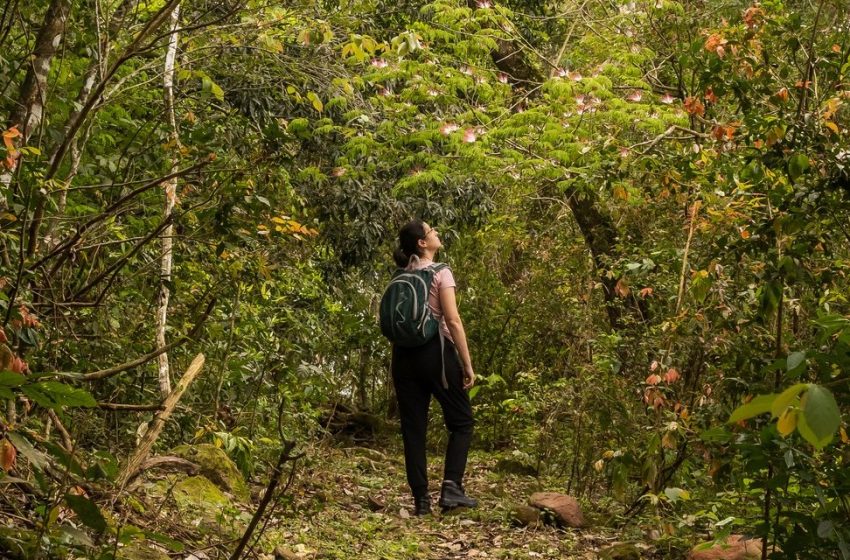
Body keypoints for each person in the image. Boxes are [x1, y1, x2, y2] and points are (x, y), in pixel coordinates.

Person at [390, 219, 478, 515]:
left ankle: (421, 502)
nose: (436, 233)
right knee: (462, 422)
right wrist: (467, 364)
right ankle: (451, 488)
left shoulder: (400, 274)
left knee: (413, 429)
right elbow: (452, 321)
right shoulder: (441, 272)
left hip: (402, 357)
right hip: (436, 354)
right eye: (431, 231)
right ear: (422, 244)